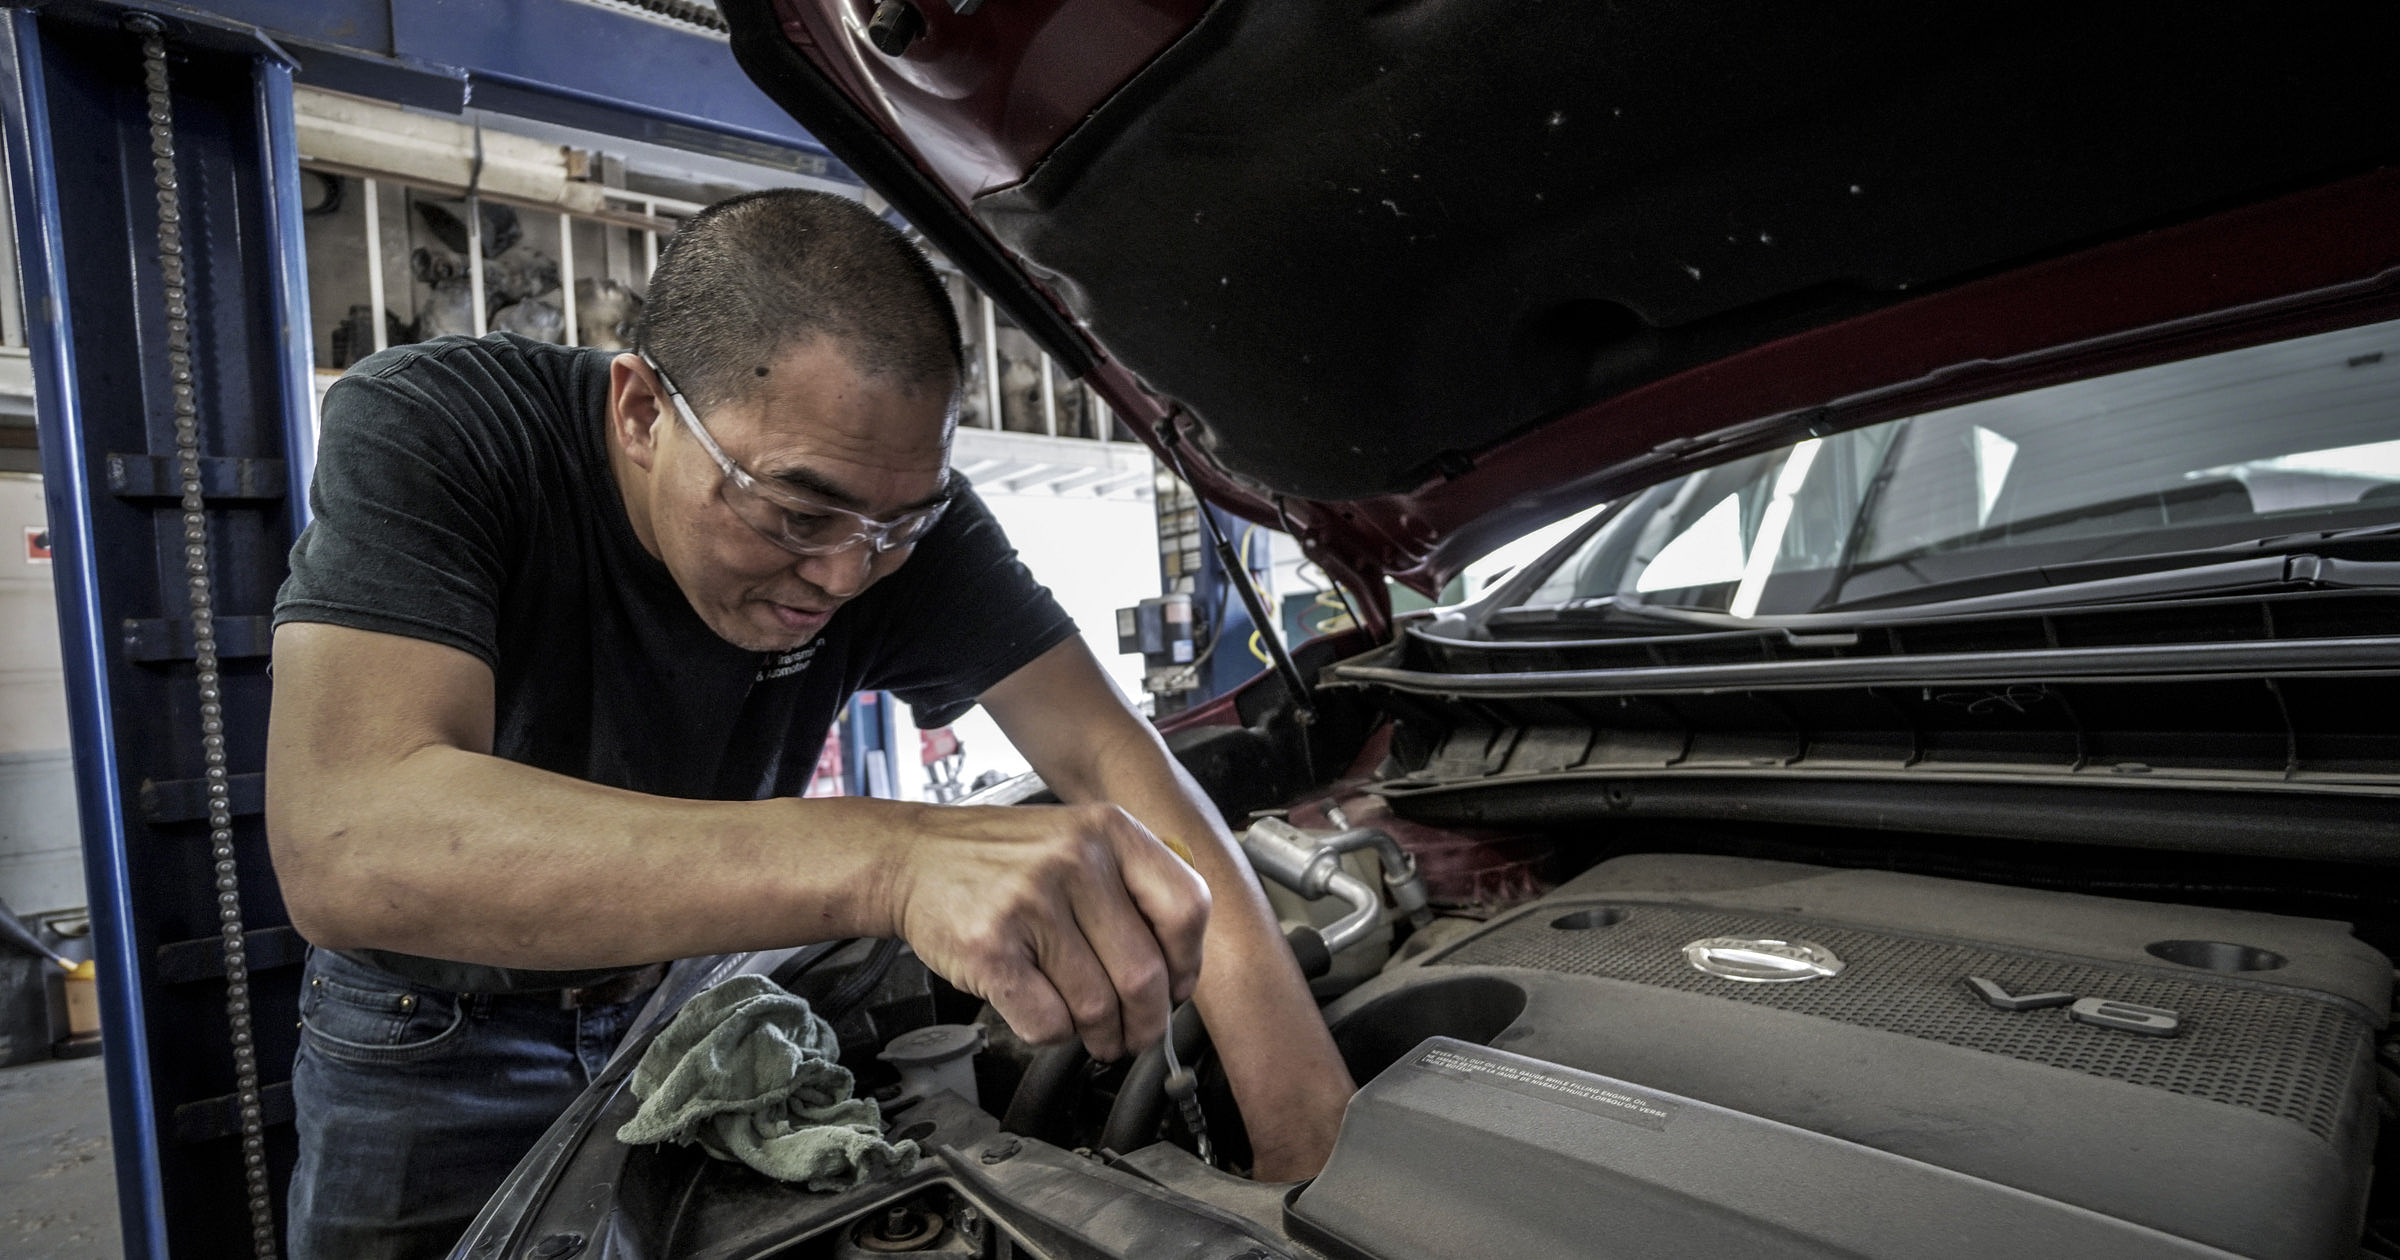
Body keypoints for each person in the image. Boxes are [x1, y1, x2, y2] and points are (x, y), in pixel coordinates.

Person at [265, 189, 1356, 1259]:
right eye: (795, 512)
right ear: (642, 412)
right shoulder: (446, 428)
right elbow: (351, 838)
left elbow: (1109, 754)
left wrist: (1309, 1146)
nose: (845, 572)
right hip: (430, 1034)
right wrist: (890, 861)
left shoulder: (891, 526)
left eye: (899, 520)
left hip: (691, 1003)